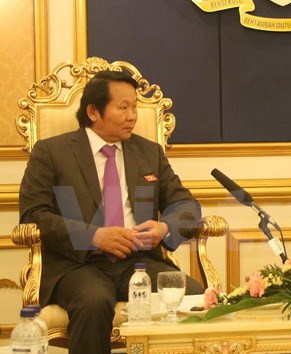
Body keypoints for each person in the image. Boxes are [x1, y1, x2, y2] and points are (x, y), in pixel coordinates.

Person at [19, 70, 204, 354]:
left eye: (135, 107)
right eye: (123, 108)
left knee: (191, 294)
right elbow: (34, 215)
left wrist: (164, 228)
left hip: (138, 262)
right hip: (78, 265)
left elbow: (187, 206)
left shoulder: (149, 152)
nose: (133, 116)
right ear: (94, 111)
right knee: (94, 302)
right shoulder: (52, 153)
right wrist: (94, 236)